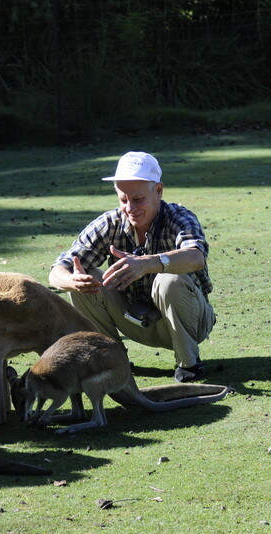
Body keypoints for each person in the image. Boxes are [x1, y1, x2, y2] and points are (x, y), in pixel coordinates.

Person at [48, 151, 215, 383]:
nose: (129, 208)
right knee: (85, 278)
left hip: (192, 322)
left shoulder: (179, 217)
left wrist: (148, 264)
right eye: (123, 200)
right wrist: (72, 281)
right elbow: (58, 269)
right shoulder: (110, 223)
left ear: (158, 191)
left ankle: (189, 365)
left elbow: (196, 257)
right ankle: (113, 362)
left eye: (137, 199)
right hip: (136, 321)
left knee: (170, 279)